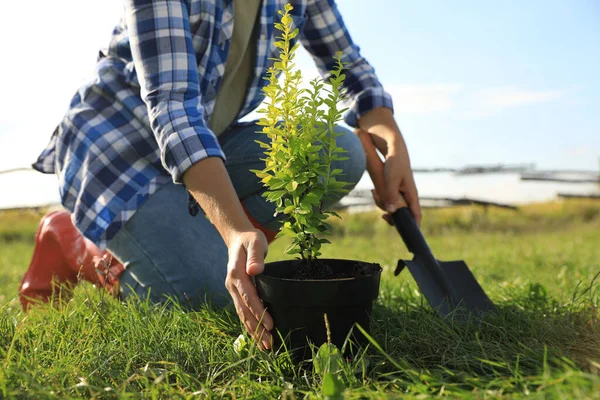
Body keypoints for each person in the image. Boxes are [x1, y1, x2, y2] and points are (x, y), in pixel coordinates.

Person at [20, 0, 421, 350]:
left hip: (208, 143)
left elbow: (348, 66)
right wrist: (232, 228)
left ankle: (215, 253)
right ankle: (78, 243)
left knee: (340, 152)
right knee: (207, 295)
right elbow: (173, 107)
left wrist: (394, 145)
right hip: (120, 158)